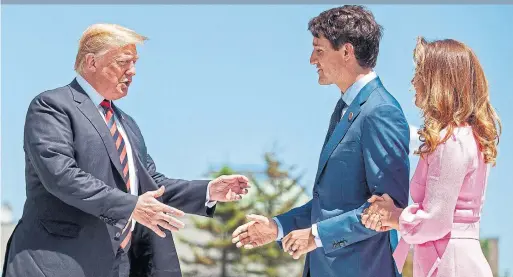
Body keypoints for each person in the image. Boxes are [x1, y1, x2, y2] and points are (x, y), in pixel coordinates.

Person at [2, 23, 251, 277]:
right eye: (123, 62)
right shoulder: (52, 106)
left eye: (135, 63)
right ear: (91, 62)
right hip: (54, 264)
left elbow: (150, 184)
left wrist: (208, 190)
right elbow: (61, 176)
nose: (132, 71)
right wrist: (131, 206)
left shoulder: (126, 124)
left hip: (119, 266)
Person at [231, 5, 410, 277]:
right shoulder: (345, 109)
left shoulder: (380, 112)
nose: (312, 59)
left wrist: (316, 236)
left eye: (319, 50)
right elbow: (331, 204)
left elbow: (387, 211)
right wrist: (276, 227)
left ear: (347, 52)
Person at [361, 37, 501, 277]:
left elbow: (436, 220)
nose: (413, 81)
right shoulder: (464, 137)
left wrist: (393, 216)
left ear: (439, 81)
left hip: (450, 264)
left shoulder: (452, 140)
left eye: (420, 73)